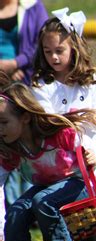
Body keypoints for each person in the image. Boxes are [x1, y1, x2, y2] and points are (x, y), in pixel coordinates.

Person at [0, 71, 96, 241]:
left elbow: (89, 145)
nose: (0, 129)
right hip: (49, 188)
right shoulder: (12, 148)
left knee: (42, 200)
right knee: (16, 212)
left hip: (81, 181)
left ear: (25, 117)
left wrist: (93, 155)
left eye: (4, 122)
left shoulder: (56, 133)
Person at [30, 8, 96, 241]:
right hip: (59, 158)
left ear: (74, 47)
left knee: (91, 207)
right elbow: (46, 121)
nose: (53, 56)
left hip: (88, 152)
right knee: (63, 208)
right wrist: (73, 120)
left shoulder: (89, 79)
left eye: (59, 50)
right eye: (48, 50)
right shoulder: (43, 84)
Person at [0, 0, 48, 211]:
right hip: (3, 84)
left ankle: (34, 206)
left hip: (26, 85)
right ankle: (10, 206)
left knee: (30, 144)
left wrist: (16, 64)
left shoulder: (33, 7)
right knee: (5, 146)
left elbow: (41, 44)